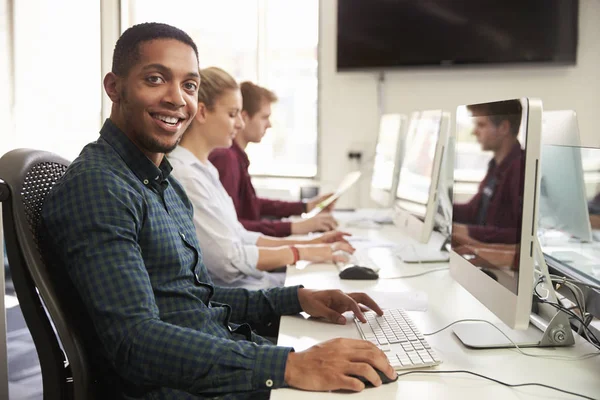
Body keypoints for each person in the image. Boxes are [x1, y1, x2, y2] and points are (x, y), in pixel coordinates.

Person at [38, 22, 395, 399]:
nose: (178, 99)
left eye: (189, 85)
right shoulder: (100, 186)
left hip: (211, 364)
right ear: (114, 86)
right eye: (156, 79)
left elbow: (193, 299)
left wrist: (296, 299)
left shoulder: (162, 182)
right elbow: (135, 342)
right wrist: (287, 366)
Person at [169, 67, 354, 289]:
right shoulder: (186, 175)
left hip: (251, 282)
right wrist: (302, 250)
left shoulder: (206, 168)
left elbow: (239, 234)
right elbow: (228, 260)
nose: (239, 124)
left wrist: (311, 243)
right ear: (202, 112)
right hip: (239, 294)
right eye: (232, 114)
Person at [209, 81, 338, 237]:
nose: (269, 125)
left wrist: (306, 207)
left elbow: (252, 205)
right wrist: (295, 227)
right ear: (245, 117)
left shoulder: (236, 157)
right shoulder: (226, 158)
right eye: (264, 117)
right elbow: (231, 226)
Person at [453, 100, 524, 247]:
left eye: (481, 125)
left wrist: (467, 232)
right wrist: (441, 212)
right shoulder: (496, 165)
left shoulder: (520, 169)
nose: (474, 132)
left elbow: (520, 234)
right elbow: (473, 210)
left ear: (504, 128)